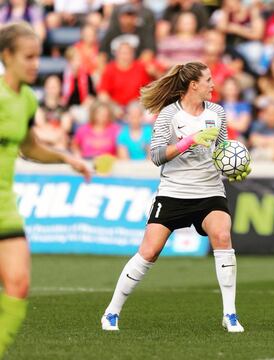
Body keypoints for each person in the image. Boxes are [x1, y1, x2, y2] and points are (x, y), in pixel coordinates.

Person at [100, 61, 251, 333]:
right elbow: (156, 155)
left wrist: (234, 169)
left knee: (222, 236)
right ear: (194, 85)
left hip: (209, 190)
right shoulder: (169, 115)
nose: (213, 84)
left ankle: (230, 314)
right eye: (208, 80)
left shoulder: (217, 112)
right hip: (174, 192)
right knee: (149, 251)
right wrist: (188, 141)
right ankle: (112, 311)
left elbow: (223, 150)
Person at [0, 22, 91, 359]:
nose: (36, 64)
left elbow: (30, 147)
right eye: (28, 57)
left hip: (5, 206)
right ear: (7, 56)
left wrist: (70, 160)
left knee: (18, 286)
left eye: (38, 57)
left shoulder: (25, 99)